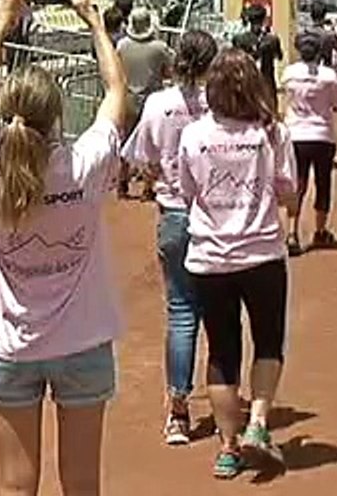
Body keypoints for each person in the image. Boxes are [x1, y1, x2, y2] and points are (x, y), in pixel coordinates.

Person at [0, 0, 127, 496]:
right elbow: (117, 91)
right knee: (82, 484)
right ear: (58, 117)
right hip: (82, 343)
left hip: (10, 346)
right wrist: (95, 23)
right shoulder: (84, 164)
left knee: (17, 486)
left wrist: (1, 21)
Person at [177, 48, 298, 479]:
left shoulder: (194, 134)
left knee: (222, 350)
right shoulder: (271, 132)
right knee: (268, 341)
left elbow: (187, 191)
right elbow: (287, 191)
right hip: (261, 252)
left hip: (210, 256)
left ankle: (228, 447)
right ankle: (259, 423)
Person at [122, 29, 218, 446]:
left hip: (175, 212)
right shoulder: (220, 101)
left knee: (182, 312)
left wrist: (161, 179)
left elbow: (138, 158)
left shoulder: (159, 104)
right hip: (216, 216)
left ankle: (178, 411)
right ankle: (225, 403)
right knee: (220, 313)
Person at [281, 30, 337, 254]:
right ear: (319, 52)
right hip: (322, 135)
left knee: (297, 184)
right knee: (323, 183)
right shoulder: (328, 75)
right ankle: (320, 230)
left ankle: (291, 232)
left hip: (296, 134)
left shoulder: (289, 73)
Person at [116, 8, 173, 201]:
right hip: (152, 100)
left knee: (125, 143)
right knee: (152, 145)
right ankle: (148, 188)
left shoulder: (122, 46)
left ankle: (122, 183)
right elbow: (168, 72)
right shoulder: (160, 48)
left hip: (128, 99)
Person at [231, 3, 283, 109]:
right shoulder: (272, 39)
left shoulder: (239, 39)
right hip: (267, 85)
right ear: (264, 19)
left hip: (247, 84)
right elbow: (279, 56)